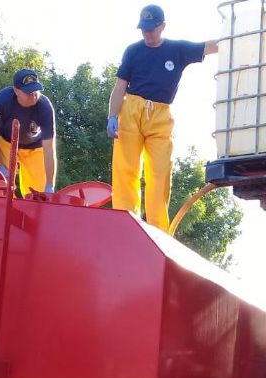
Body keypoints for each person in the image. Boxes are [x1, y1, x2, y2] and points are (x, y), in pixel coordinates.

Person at [106, 5, 218, 232]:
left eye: (151, 29)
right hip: (131, 109)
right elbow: (120, 86)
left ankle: (158, 231)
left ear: (162, 26)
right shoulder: (133, 51)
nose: (147, 33)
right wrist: (112, 116)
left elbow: (210, 46)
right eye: (143, 29)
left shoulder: (177, 49)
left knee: (159, 174)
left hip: (160, 114)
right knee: (125, 169)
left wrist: (242, 36)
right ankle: (125, 225)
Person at [0, 68, 57, 197]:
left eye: (36, 90)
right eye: (28, 92)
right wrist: (0, 166)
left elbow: (49, 149)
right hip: (5, 141)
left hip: (35, 147)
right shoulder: (3, 100)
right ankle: (2, 212)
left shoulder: (45, 107)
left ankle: (32, 214)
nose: (33, 95)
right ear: (16, 90)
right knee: (0, 187)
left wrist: (50, 184)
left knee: (39, 194)